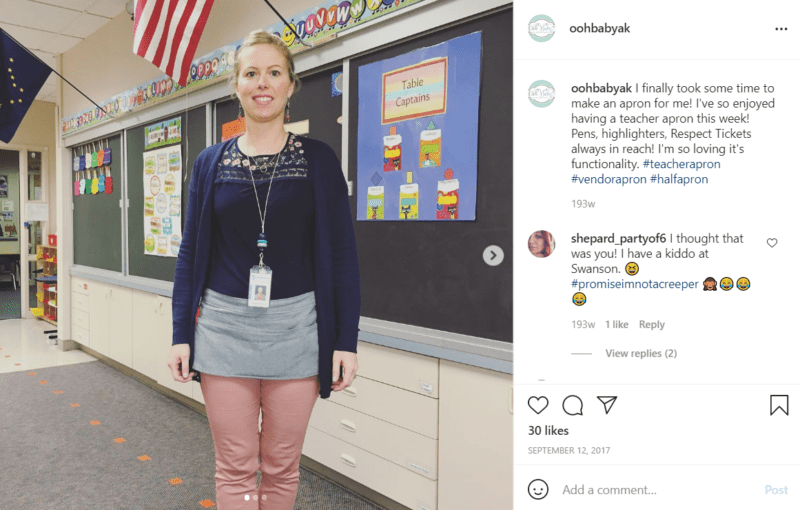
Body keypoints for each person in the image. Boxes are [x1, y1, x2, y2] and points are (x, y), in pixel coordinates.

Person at [168, 30, 361, 510]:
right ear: (236, 86)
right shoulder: (209, 164)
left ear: (290, 86)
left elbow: (342, 255)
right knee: (234, 467)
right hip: (223, 331)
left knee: (280, 466)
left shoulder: (318, 160)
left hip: (299, 333)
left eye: (274, 72)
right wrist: (179, 334)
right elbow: (190, 253)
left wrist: (346, 341)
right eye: (251, 73)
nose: (262, 83)